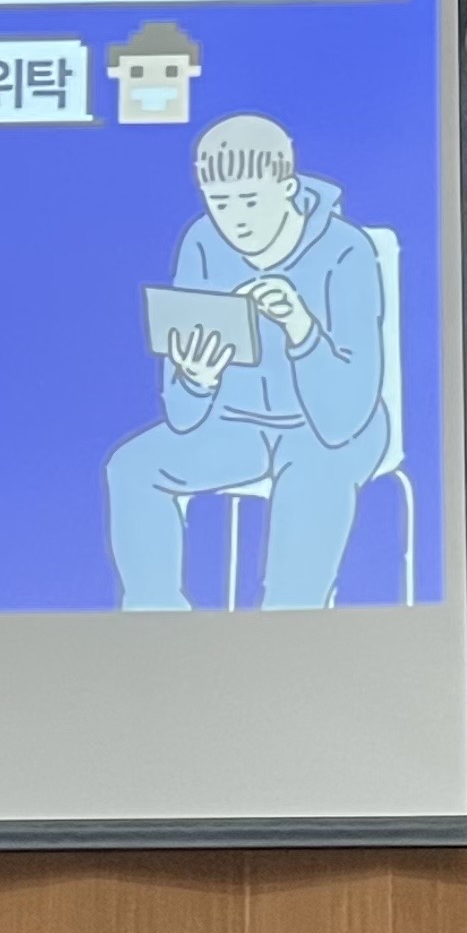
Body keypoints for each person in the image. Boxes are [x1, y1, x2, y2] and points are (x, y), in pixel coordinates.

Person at [105, 114, 388, 610]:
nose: (235, 220)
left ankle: (290, 634)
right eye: (219, 203)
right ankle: (154, 624)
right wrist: (196, 379)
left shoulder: (347, 251)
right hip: (237, 425)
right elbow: (183, 418)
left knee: (315, 480)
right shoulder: (201, 243)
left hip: (329, 429)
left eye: (251, 201)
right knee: (132, 467)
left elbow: (345, 417)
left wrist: (301, 328)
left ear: (288, 188)